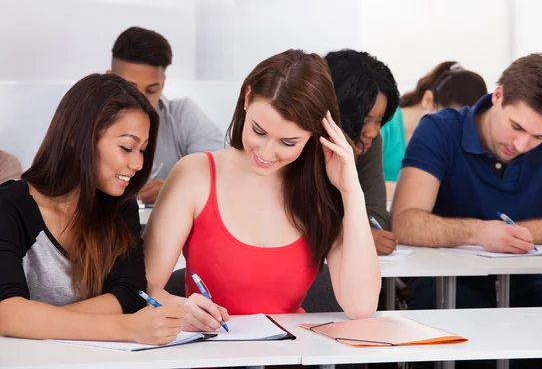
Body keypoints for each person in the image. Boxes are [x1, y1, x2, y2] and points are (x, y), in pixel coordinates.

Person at [143, 49, 381, 332]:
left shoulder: (320, 193)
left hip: (290, 359)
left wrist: (351, 191)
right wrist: (179, 308)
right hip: (206, 356)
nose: (267, 152)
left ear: (315, 135)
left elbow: (361, 306)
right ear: (247, 98)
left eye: (288, 142)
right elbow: (143, 289)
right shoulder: (195, 175)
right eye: (258, 131)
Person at [392, 53, 542, 368]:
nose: (521, 144)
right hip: (444, 288)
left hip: (525, 286)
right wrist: (478, 232)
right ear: (498, 95)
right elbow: (405, 221)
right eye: (516, 126)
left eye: (538, 137)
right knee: (479, 347)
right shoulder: (439, 129)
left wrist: (524, 232)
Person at [0, 73, 185, 345]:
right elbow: (8, 314)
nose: (137, 164)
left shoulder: (120, 208)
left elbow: (128, 293)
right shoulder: (9, 206)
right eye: (127, 147)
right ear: (79, 137)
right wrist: (127, 329)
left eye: (142, 150)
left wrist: (36, 322)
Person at [110, 26, 224, 204]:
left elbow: (223, 168)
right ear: (108, 79)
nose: (142, 100)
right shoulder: (86, 120)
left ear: (163, 83)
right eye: (131, 88)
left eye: (152, 89)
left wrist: (177, 187)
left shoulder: (182, 114)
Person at [324, 49, 398, 255]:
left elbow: (376, 217)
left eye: (379, 120)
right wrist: (350, 235)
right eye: (364, 121)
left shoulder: (369, 142)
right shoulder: (295, 140)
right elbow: (288, 220)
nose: (373, 132)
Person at [380, 62, 487, 189]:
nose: (453, 132)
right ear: (428, 100)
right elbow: (362, 187)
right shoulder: (384, 124)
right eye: (449, 122)